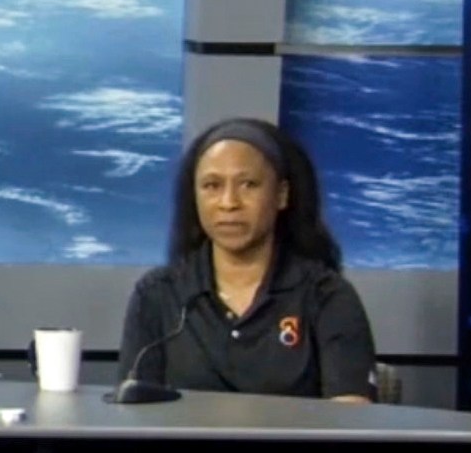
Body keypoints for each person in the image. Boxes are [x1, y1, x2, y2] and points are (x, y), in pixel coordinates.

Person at [116, 116, 375, 401]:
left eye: (248, 184)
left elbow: (349, 419)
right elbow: (134, 413)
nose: (229, 203)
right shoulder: (157, 294)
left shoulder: (327, 296)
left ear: (281, 195)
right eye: (212, 186)